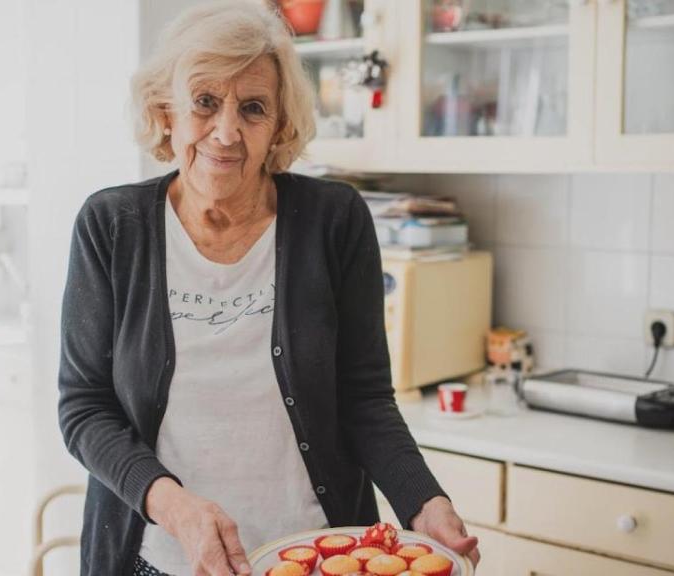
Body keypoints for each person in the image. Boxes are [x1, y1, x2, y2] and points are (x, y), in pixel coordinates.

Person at [58, 2, 480, 575]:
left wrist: (423, 502)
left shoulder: (334, 221)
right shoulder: (112, 227)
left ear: (279, 125)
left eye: (253, 108)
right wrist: (173, 506)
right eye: (205, 102)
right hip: (157, 559)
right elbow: (85, 408)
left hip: (317, 558)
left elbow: (364, 398)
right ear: (166, 112)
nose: (227, 132)